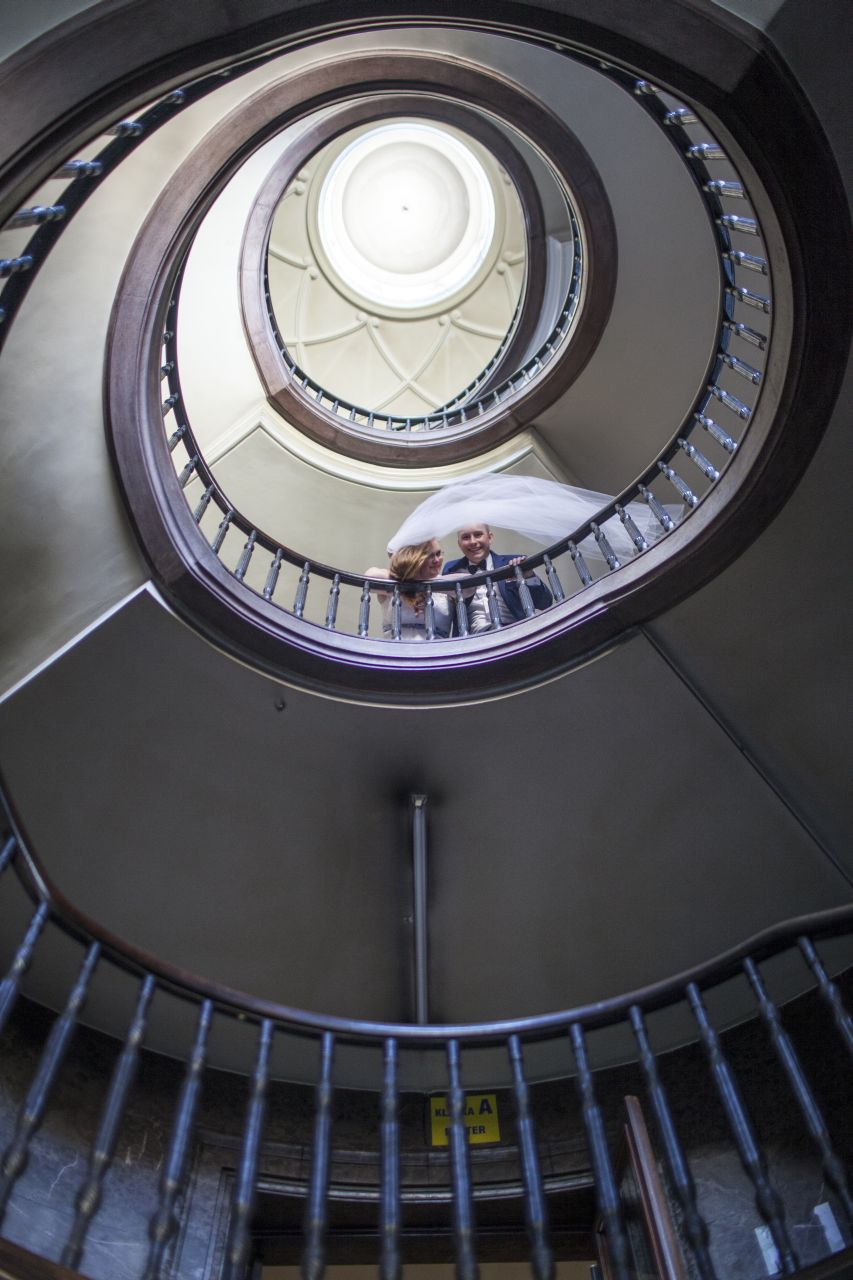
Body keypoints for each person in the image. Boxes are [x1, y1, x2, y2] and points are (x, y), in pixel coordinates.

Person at [443, 522, 552, 632]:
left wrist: (529, 576)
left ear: (490, 537)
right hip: (474, 638)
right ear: (459, 543)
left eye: (478, 535)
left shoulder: (514, 562)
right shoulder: (451, 569)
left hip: (515, 631)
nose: (473, 542)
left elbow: (545, 603)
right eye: (466, 537)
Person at [364, 538, 462, 640]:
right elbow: (370, 576)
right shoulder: (395, 583)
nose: (436, 560)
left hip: (435, 649)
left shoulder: (445, 584)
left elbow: (468, 587)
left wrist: (429, 583)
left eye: (438, 554)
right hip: (395, 648)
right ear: (415, 558)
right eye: (429, 555)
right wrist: (409, 578)